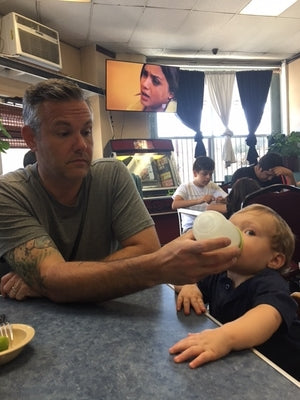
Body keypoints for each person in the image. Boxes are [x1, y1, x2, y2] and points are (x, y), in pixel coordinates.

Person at [0, 78, 240, 303]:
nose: (82, 145)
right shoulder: (9, 193)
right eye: (64, 133)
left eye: (86, 131)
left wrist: (55, 281)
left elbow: (146, 249)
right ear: (31, 138)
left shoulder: (112, 174)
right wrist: (159, 266)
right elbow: (54, 278)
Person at [169, 204, 300, 380]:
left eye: (249, 232)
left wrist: (226, 337)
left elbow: (267, 316)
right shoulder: (219, 272)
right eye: (230, 227)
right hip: (238, 363)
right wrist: (188, 286)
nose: (232, 235)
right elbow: (180, 278)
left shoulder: (270, 283)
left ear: (274, 260)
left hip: (278, 370)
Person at [172, 156, 227, 232]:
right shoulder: (185, 187)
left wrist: (223, 200)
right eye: (204, 174)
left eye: (210, 174)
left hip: (211, 225)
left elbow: (228, 198)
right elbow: (175, 204)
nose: (208, 177)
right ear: (195, 173)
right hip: (192, 227)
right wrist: (200, 200)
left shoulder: (212, 185)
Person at [231, 152, 296, 187]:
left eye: (273, 176)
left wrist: (290, 175)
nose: (270, 178)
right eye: (267, 174)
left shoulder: (278, 175)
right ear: (259, 167)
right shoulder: (241, 174)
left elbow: (291, 196)